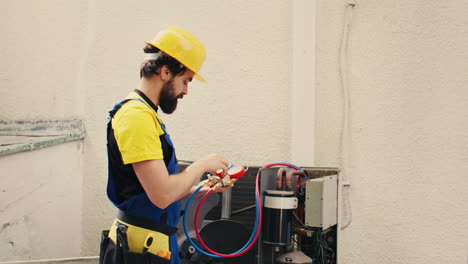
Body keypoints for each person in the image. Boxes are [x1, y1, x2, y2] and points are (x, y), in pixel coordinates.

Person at [100, 26, 234, 264]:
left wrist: (204, 188)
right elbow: (162, 195)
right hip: (140, 251)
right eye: (185, 80)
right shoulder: (136, 116)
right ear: (165, 72)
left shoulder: (146, 114)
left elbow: (154, 191)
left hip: (152, 243)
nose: (186, 90)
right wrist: (201, 165)